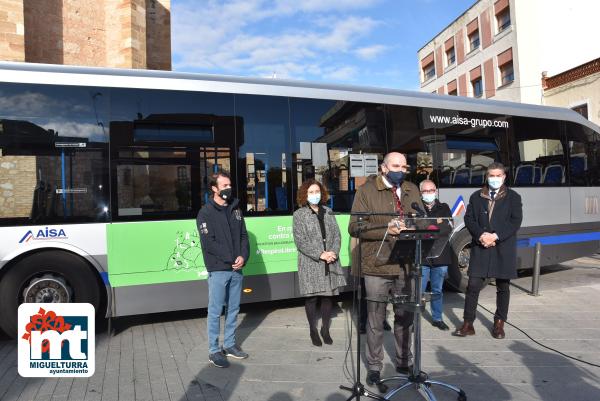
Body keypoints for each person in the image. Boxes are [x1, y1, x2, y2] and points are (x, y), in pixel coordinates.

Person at [349, 152, 425, 391]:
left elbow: (423, 219)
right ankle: (374, 366)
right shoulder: (367, 191)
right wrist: (387, 229)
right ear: (383, 168)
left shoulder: (412, 188)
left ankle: (404, 361)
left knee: (405, 316)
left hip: (407, 263)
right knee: (376, 317)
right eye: (395, 166)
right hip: (377, 264)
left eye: (404, 166)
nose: (400, 170)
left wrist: (414, 225)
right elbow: (355, 226)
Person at [453, 162, 523, 339]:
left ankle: (499, 323)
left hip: (503, 246)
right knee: (473, 285)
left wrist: (495, 236)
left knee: (503, 286)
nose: (495, 179)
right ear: (487, 176)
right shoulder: (476, 196)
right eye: (491, 175)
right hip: (481, 245)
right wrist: (481, 235)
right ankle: (468, 323)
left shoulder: (513, 197)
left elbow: (515, 222)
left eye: (498, 175)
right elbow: (469, 219)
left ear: (504, 177)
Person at [197, 171, 250, 368]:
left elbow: (244, 236)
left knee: (234, 308)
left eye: (229, 185)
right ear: (214, 188)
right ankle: (214, 350)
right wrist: (231, 259)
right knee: (215, 310)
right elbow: (209, 243)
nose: (228, 188)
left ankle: (229, 344)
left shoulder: (236, 209)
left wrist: (243, 257)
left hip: (237, 268)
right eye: (224, 185)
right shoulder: (205, 213)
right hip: (219, 268)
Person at [293, 179, 347, 346]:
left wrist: (333, 253)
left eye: (317, 192)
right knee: (311, 298)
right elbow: (300, 241)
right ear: (304, 195)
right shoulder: (299, 215)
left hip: (329, 261)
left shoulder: (328, 211)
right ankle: (313, 329)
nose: (315, 195)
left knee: (327, 297)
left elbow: (337, 235)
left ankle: (325, 329)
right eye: (311, 192)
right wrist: (320, 254)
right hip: (311, 263)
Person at [419, 180, 452, 331]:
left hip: (440, 255)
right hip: (422, 256)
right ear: (421, 193)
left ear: (436, 191)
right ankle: (414, 319)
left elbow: (447, 226)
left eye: (431, 190)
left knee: (437, 289)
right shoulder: (417, 208)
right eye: (425, 191)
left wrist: (431, 228)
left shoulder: (444, 207)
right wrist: (433, 227)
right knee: (419, 289)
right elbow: (415, 226)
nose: (428, 193)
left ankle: (437, 318)